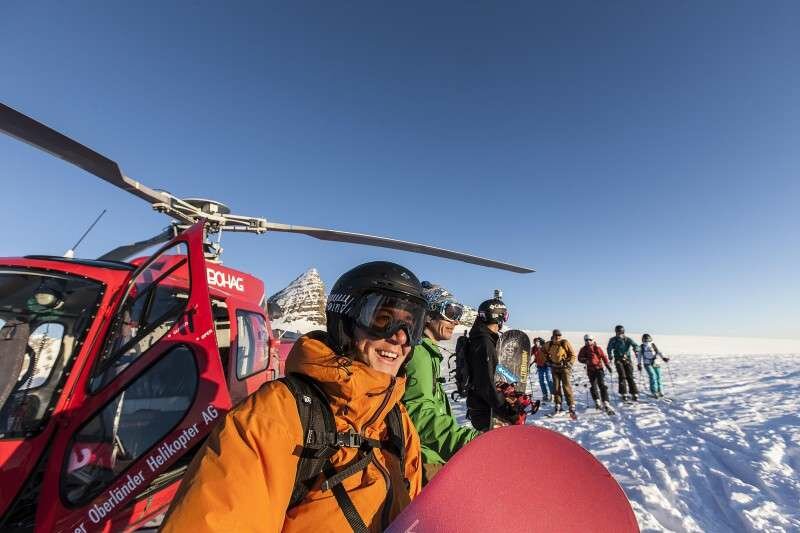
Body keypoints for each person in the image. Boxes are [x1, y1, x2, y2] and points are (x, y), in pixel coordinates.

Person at [162, 261, 424, 532]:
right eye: (382, 320)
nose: (399, 339)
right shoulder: (274, 415)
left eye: (411, 327)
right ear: (345, 322)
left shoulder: (396, 420)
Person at [402, 282, 480, 485]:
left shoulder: (426, 351)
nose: (455, 321)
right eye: (450, 311)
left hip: (427, 450)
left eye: (458, 313)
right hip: (422, 456)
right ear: (427, 314)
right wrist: (470, 441)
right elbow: (418, 413)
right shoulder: (419, 353)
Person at [465, 297, 517, 431]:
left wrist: (511, 379)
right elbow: (486, 383)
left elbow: (493, 370)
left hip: (484, 407)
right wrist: (506, 410)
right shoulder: (485, 343)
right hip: (486, 411)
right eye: (505, 316)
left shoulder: (484, 339)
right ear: (498, 317)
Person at [543, 329, 576, 417]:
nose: (558, 337)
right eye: (556, 335)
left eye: (559, 335)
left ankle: (571, 405)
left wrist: (569, 363)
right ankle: (558, 405)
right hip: (554, 368)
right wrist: (548, 361)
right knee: (556, 388)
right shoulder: (549, 344)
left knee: (566, 387)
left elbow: (572, 355)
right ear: (553, 336)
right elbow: (542, 352)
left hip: (564, 368)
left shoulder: (564, 343)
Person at [577, 334, 613, 411]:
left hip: (599, 368)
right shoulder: (583, 349)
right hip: (590, 370)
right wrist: (585, 360)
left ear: (592, 340)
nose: (588, 341)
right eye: (586, 340)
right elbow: (579, 358)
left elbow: (603, 357)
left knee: (601, 384)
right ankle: (597, 401)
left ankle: (605, 401)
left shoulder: (597, 348)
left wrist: (607, 366)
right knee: (593, 386)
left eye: (589, 340)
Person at [607, 324, 639, 401]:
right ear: (616, 332)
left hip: (627, 359)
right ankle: (623, 393)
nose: (619, 334)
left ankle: (634, 393)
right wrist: (610, 355)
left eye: (621, 332)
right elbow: (609, 348)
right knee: (622, 375)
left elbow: (635, 345)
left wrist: (636, 350)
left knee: (630, 376)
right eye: (618, 332)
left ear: (623, 332)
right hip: (618, 359)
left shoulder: (627, 339)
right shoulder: (613, 340)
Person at [637, 333, 669, 397]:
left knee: (658, 376)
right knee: (652, 375)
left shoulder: (653, 345)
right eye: (645, 339)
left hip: (656, 363)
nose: (646, 340)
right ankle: (654, 391)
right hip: (647, 363)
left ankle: (660, 390)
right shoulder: (642, 347)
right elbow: (639, 356)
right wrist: (639, 363)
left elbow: (659, 352)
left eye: (647, 339)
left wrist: (663, 358)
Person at [531, 337, 553, 402]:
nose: (536, 343)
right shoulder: (534, 348)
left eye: (537, 341)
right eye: (534, 342)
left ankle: (552, 394)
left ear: (539, 342)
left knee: (549, 379)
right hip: (539, 366)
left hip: (547, 366)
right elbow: (529, 354)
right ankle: (545, 395)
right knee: (541, 381)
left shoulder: (544, 347)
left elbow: (550, 354)